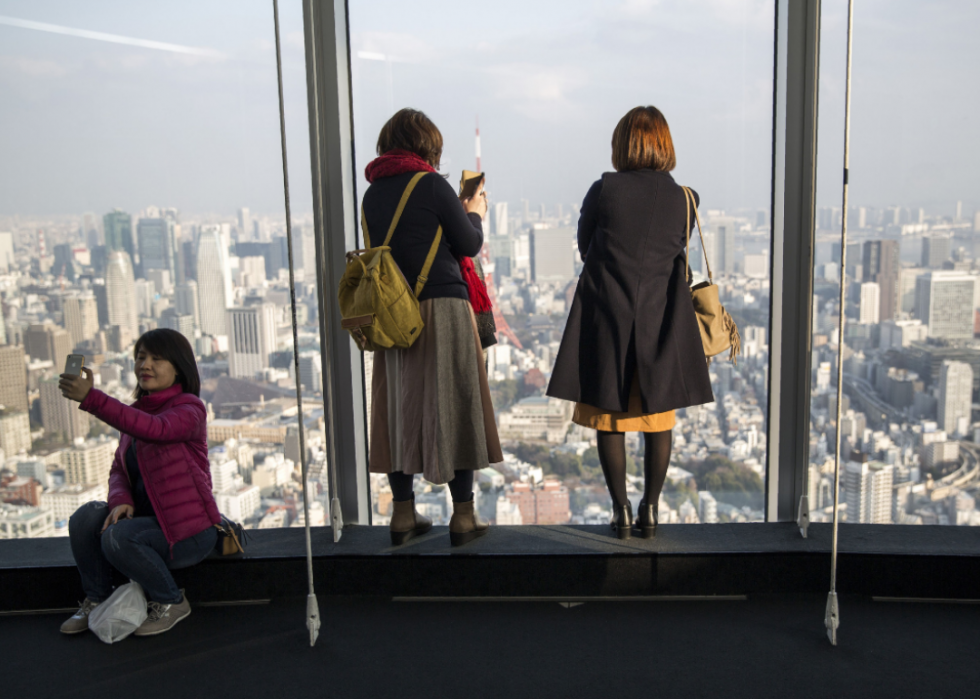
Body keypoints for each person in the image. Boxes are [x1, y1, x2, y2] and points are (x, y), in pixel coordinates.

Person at [547, 106, 714, 540]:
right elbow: (674, 254)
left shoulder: (604, 191)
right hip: (662, 321)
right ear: (665, 144)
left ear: (622, 145)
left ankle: (620, 510)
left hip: (609, 317)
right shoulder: (685, 199)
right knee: (657, 420)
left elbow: (586, 247)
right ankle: (651, 508)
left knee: (611, 418)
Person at [363, 108, 503, 546]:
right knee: (455, 400)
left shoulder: (371, 195)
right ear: (427, 146)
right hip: (442, 306)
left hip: (393, 312)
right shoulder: (431, 184)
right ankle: (463, 516)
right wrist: (474, 211)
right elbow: (469, 243)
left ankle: (402, 516)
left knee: (396, 410)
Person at [58, 328, 219, 636]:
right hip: (148, 524)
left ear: (179, 366)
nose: (145, 364)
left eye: (157, 358)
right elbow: (120, 468)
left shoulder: (189, 409)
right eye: (141, 357)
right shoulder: (133, 414)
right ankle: (98, 598)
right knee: (84, 518)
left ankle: (171, 601)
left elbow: (155, 429)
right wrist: (121, 500)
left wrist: (92, 399)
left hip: (190, 532)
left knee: (116, 537)